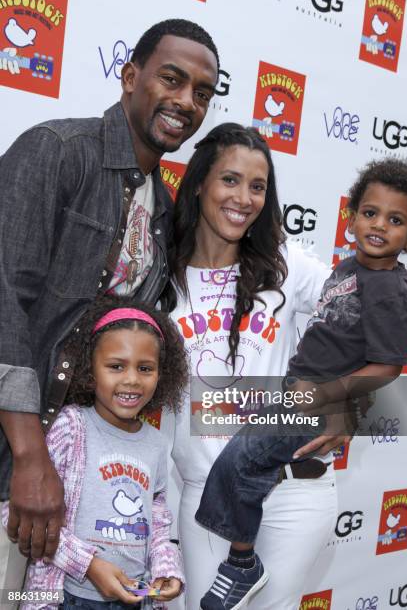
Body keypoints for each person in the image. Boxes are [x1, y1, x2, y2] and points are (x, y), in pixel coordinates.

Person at [0, 18, 219, 589]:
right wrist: (28, 457)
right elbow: (4, 304)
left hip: (76, 489)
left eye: (202, 93)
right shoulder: (56, 152)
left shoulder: (166, 208)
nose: (186, 102)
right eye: (171, 79)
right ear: (129, 76)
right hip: (15, 463)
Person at [195, 157, 407, 609]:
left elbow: (387, 367)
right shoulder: (348, 269)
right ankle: (241, 557)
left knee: (239, 459)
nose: (379, 225)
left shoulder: (393, 292)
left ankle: (242, 563)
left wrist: (328, 398)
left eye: (396, 220)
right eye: (370, 213)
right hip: (296, 391)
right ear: (351, 216)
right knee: (244, 461)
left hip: (316, 404)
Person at [161, 122, 347, 610]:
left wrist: (352, 399)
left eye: (258, 186)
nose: (244, 197)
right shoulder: (161, 279)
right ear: (199, 181)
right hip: (209, 498)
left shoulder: (285, 265)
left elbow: (368, 317)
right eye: (230, 180)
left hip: (293, 491)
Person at [2, 296, 189, 609]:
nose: (131, 379)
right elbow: (18, 513)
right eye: (116, 366)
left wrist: (166, 568)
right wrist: (87, 564)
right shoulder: (69, 427)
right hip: (65, 597)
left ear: (162, 375)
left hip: (133, 598)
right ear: (90, 371)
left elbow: (156, 519)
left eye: (145, 368)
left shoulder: (156, 444)